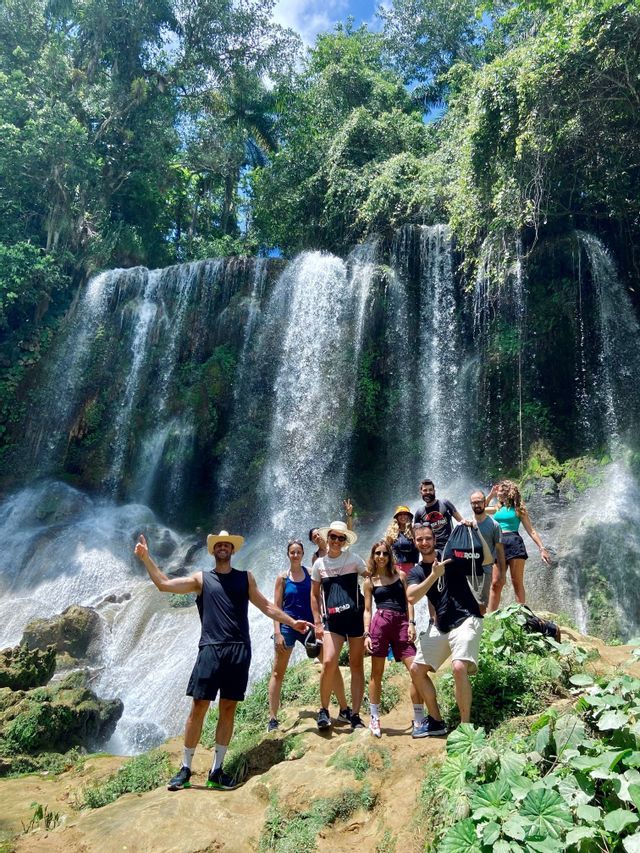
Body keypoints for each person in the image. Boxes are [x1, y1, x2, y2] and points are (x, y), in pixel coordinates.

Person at [134, 530, 311, 791]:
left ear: (233, 550)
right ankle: (185, 768)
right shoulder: (201, 579)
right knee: (199, 707)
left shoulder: (245, 578)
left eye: (228, 544)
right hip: (210, 648)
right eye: (219, 545)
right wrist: (147, 559)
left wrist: (291, 622)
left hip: (239, 649)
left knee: (228, 708)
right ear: (214, 550)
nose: (223, 548)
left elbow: (266, 606)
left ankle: (217, 770)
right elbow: (164, 584)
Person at [407, 524, 483, 736]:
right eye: (420, 539)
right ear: (415, 542)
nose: (424, 543)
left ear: (435, 539)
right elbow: (411, 597)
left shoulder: (452, 556)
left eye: (428, 538)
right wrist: (433, 575)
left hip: (467, 617)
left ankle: (465, 727)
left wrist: (474, 528)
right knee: (416, 670)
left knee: (458, 667)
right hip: (441, 625)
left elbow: (483, 557)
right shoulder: (416, 572)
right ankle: (437, 721)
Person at [267, 539, 350, 731]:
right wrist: (277, 632)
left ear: (303, 554)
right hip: (288, 627)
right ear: (288, 554)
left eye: (298, 552)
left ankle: (344, 709)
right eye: (292, 552)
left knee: (330, 665)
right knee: (278, 672)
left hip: (310, 627)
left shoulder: (310, 572)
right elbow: (276, 608)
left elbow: (318, 598)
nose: (295, 555)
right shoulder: (282, 578)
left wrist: (321, 621)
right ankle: (272, 719)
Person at [310, 520, 368, 731]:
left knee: (356, 665)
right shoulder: (319, 565)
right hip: (332, 622)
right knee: (328, 662)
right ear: (327, 538)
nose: (336, 541)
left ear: (345, 541)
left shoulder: (354, 559)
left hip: (354, 619)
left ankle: (354, 714)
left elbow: (369, 579)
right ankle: (324, 710)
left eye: (340, 538)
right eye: (333, 537)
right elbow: (314, 595)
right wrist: (317, 622)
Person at [363, 540, 417, 738]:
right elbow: (368, 610)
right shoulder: (369, 582)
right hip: (380, 624)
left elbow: (409, 601)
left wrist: (412, 623)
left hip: (401, 623)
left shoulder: (400, 576)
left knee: (415, 669)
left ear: (389, 555)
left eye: (385, 553)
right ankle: (374, 717)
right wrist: (366, 634)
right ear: (373, 555)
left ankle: (419, 717)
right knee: (376, 673)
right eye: (377, 553)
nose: (381, 557)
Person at [486, 480, 551, 608]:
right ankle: (491, 616)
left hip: (514, 542)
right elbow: (480, 509)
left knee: (516, 582)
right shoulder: (497, 508)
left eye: (499, 492)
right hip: (498, 543)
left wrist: (541, 548)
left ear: (507, 493)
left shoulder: (518, 509)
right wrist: (491, 495)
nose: (497, 495)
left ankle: (521, 614)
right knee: (495, 583)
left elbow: (531, 530)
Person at [468, 490, 506, 611]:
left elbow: (500, 551)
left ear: (485, 503)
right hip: (467, 569)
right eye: (473, 503)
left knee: (482, 604)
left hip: (485, 569)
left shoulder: (494, 525)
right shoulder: (466, 523)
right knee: (468, 603)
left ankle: (483, 628)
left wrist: (502, 574)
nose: (476, 505)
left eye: (479, 502)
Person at [413, 479, 463, 550]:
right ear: (421, 492)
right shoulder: (419, 513)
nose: (428, 492)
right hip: (431, 550)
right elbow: (416, 535)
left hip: (450, 546)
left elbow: (461, 521)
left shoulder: (445, 503)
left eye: (430, 490)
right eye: (425, 490)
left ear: (434, 491)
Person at [309, 499, 354, 565]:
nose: (318, 537)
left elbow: (348, 532)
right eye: (314, 537)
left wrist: (349, 515)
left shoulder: (336, 542)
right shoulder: (316, 557)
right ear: (313, 541)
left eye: (318, 534)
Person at [385, 505, 419, 574]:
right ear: (396, 517)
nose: (403, 516)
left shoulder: (414, 531)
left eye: (405, 514)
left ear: (409, 517)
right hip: (395, 567)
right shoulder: (392, 532)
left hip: (411, 567)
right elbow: (387, 550)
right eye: (400, 514)